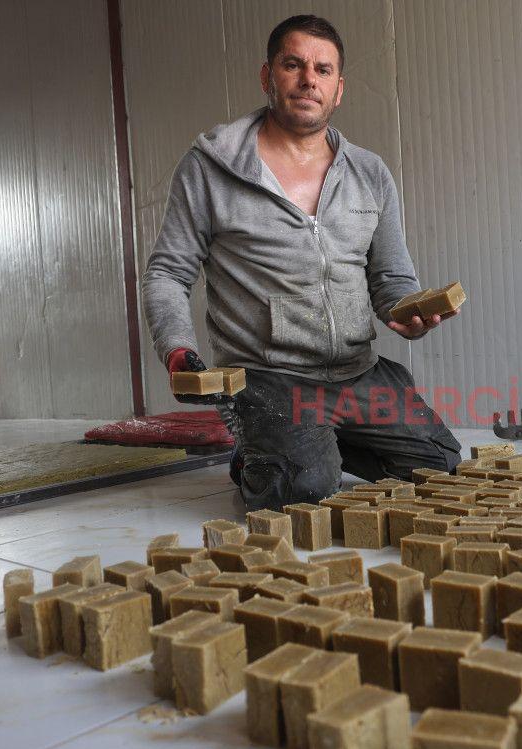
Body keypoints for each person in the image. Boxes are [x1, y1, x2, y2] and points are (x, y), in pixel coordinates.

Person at [141, 14, 462, 511]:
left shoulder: (370, 173)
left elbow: (391, 279)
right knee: (303, 492)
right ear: (267, 76)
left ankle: (309, 440)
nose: (309, 79)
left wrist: (409, 312)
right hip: (270, 376)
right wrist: (176, 349)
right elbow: (167, 272)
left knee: (441, 465)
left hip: (356, 372)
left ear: (339, 89)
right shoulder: (208, 168)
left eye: (323, 69)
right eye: (293, 65)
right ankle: (262, 445)